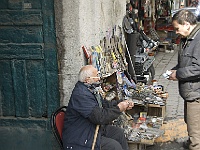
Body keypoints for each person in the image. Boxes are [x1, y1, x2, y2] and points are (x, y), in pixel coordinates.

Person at [62, 65, 134, 150]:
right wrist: (119, 108)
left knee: (118, 133)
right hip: (81, 136)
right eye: (96, 76)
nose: (99, 78)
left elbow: (104, 105)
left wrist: (121, 103)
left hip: (91, 128)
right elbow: (100, 118)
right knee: (114, 146)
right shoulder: (81, 94)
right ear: (87, 80)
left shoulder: (91, 90)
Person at [169, 9, 200, 150]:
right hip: (191, 92)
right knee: (191, 122)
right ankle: (191, 142)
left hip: (197, 93)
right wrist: (175, 69)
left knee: (195, 130)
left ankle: (194, 145)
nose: (176, 32)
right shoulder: (187, 38)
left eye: (177, 28)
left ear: (187, 24)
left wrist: (179, 74)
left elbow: (198, 68)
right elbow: (185, 62)